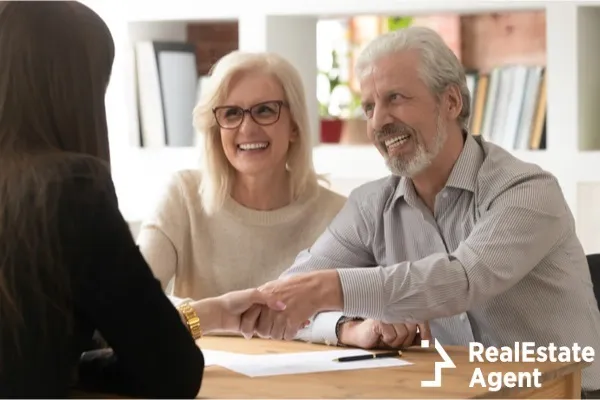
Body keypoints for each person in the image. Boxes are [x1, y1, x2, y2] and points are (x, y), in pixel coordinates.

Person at [241, 26, 600, 397]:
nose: (379, 122)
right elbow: (284, 299)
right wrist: (348, 326)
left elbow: (461, 281)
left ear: (451, 103)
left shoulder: (527, 191)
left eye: (395, 98)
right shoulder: (371, 206)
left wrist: (329, 288)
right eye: (369, 107)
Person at [0, 2, 286, 398]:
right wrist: (72, 370)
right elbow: (172, 369)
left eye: (266, 110)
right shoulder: (69, 190)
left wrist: (203, 314)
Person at [136, 50, 346, 341]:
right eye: (231, 113)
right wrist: (210, 314)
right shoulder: (182, 197)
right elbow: (131, 304)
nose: (247, 128)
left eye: (264, 110)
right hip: (203, 381)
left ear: (295, 126)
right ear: (215, 129)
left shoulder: (339, 216)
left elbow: (359, 317)